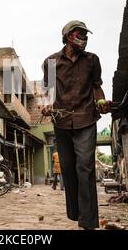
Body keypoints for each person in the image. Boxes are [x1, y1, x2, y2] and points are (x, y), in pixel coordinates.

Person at [41, 20, 111, 230]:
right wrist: (45, 105)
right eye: (79, 34)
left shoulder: (92, 60)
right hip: (61, 122)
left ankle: (88, 222)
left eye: (85, 35)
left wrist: (102, 102)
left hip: (86, 119)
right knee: (69, 169)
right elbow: (48, 92)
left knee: (85, 166)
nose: (84, 38)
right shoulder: (51, 62)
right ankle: (76, 213)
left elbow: (97, 87)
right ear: (68, 36)